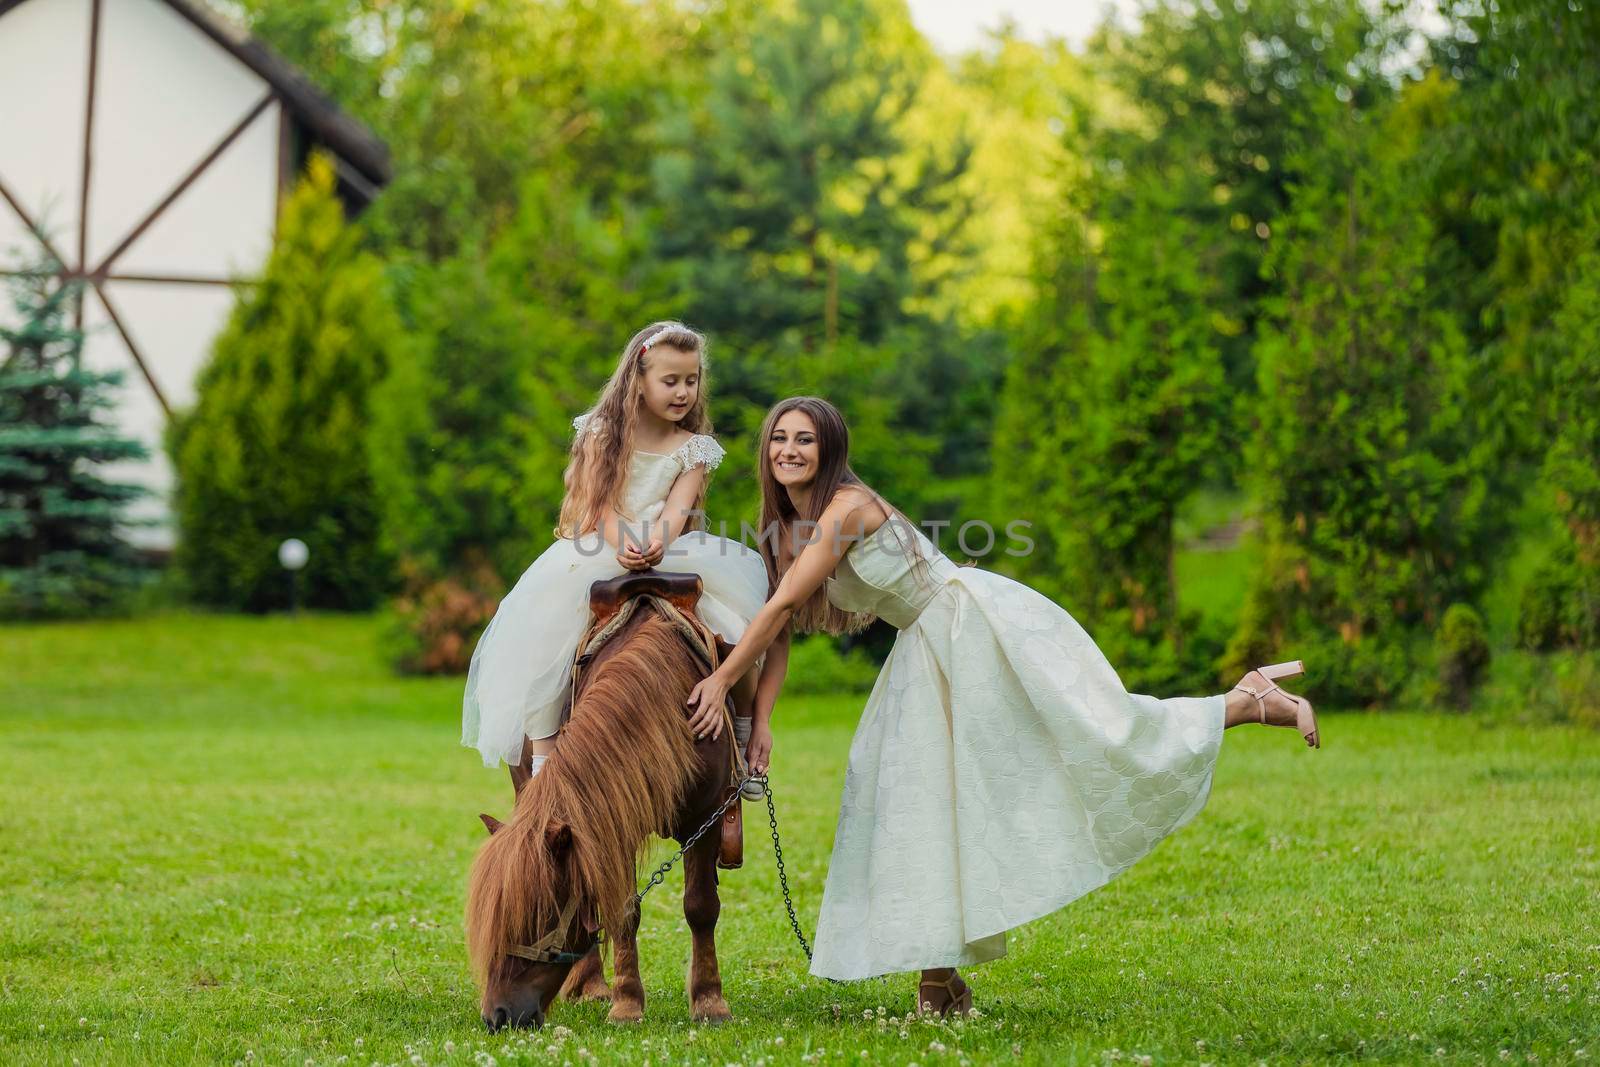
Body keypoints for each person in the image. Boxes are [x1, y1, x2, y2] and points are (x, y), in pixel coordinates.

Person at [685, 396, 1319, 1015]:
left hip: (967, 629)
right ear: (765, 449)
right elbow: (781, 632)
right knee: (921, 796)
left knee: (1097, 730)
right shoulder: (788, 527)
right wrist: (757, 719)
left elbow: (781, 609)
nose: (789, 450)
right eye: (780, 438)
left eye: (805, 440)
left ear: (830, 452)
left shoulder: (845, 507)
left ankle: (1246, 700)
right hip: (925, 645)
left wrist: (718, 685)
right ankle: (940, 981)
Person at [463, 321, 768, 786]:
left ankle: (741, 738)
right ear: (638, 380)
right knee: (545, 629)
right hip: (601, 544)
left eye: (692, 380)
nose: (683, 391)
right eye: (671, 381)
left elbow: (678, 509)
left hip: (670, 550)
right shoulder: (601, 432)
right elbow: (595, 501)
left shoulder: (695, 449)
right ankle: (545, 752)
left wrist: (657, 542)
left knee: (735, 627)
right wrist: (620, 537)